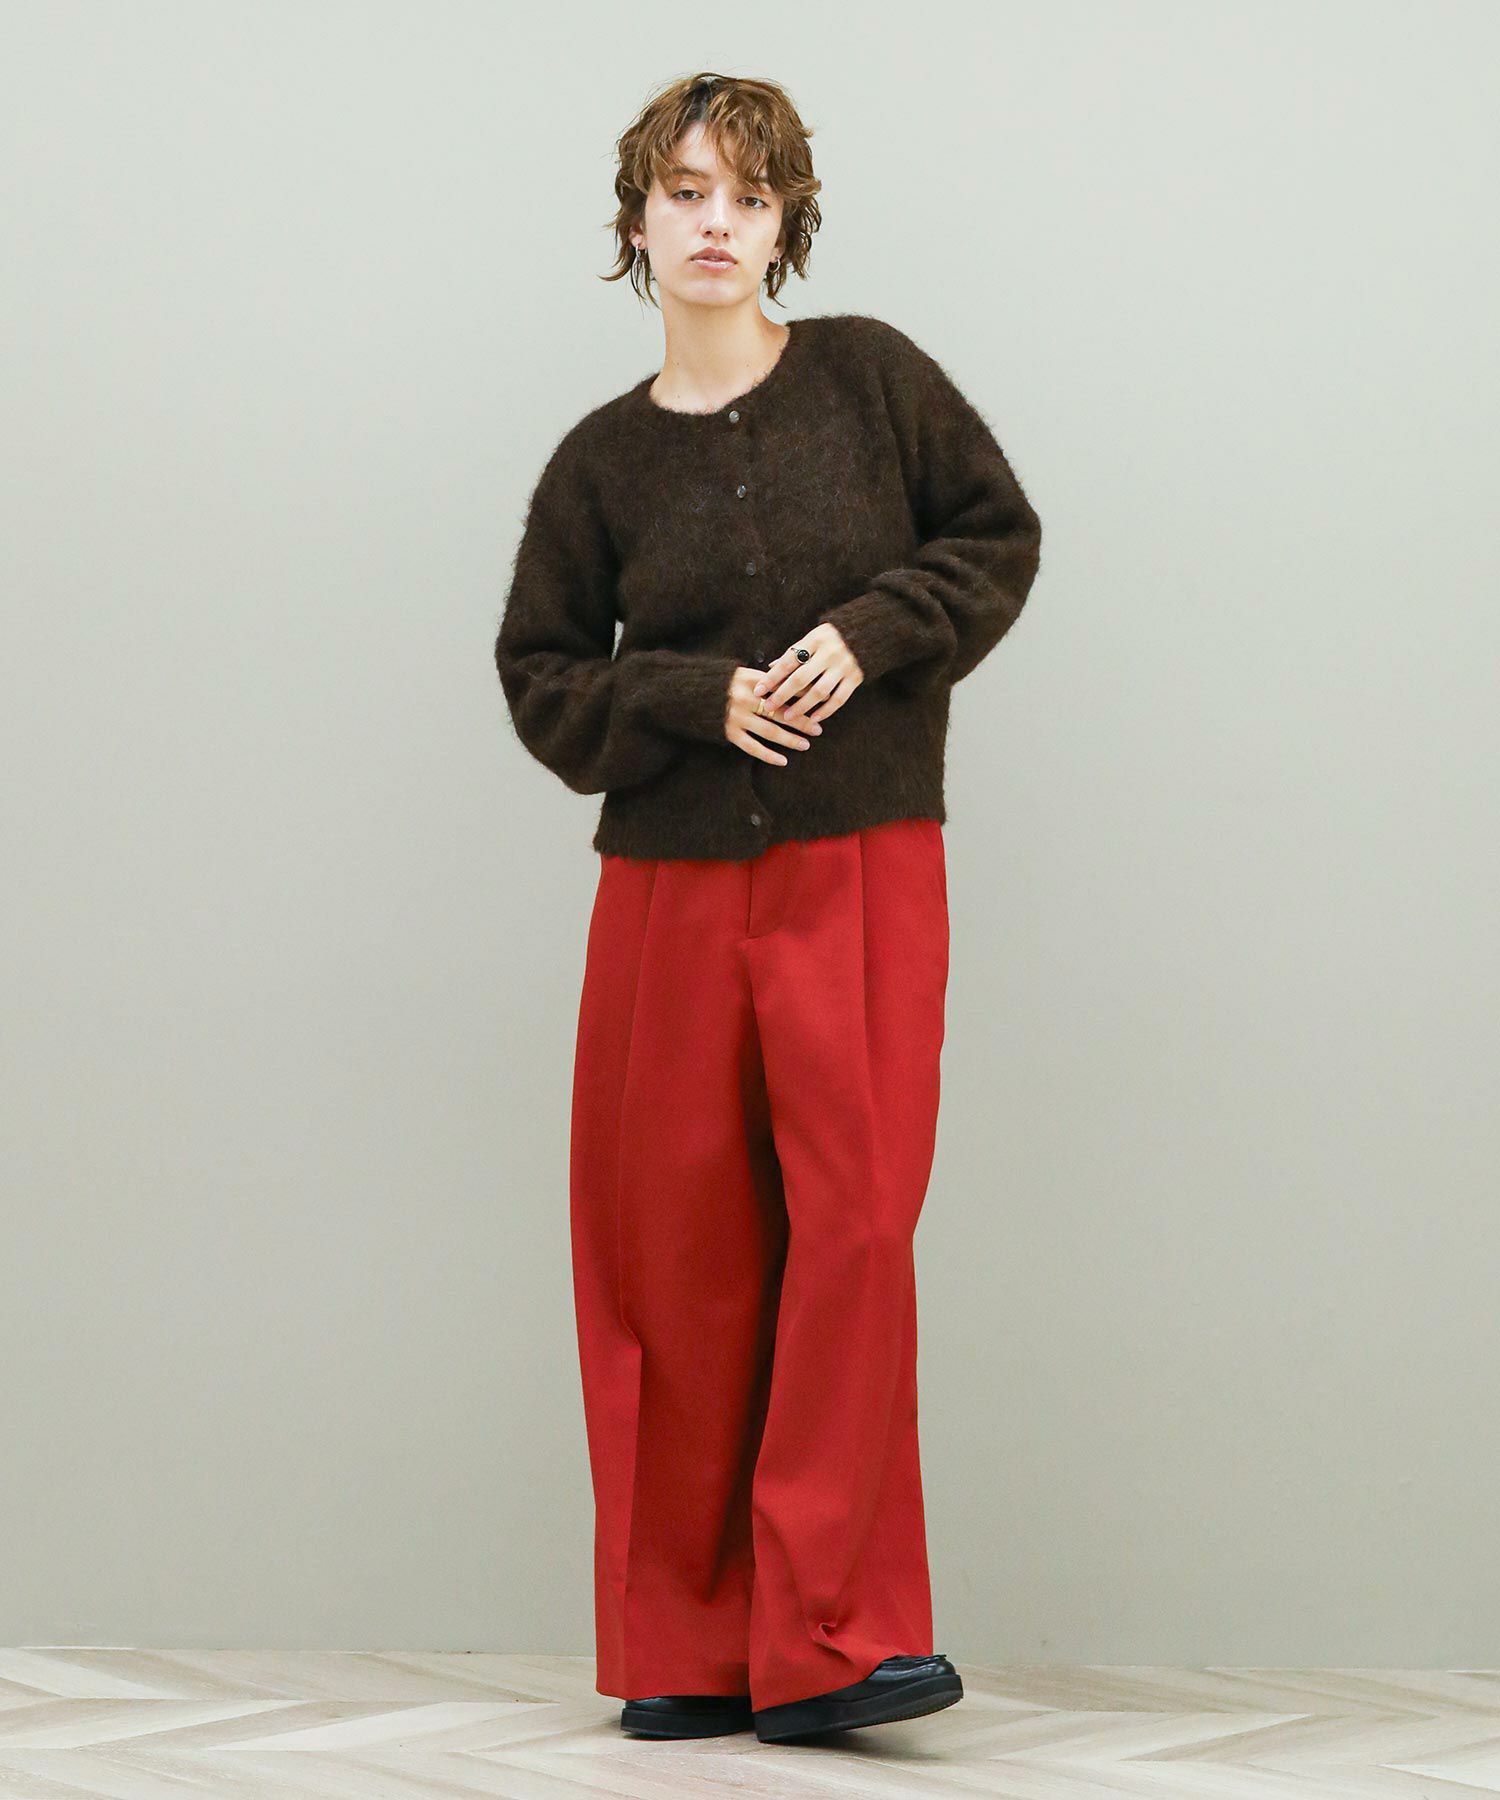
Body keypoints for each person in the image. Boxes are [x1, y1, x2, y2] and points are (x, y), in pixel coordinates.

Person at [494, 71, 1043, 1747]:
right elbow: (542, 680)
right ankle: (682, 1647)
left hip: (859, 867)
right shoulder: (597, 465)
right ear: (638, 221)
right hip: (664, 896)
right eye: (684, 192)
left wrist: (871, 636)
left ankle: (827, 1638)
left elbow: (996, 538)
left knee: (854, 1230)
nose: (714, 222)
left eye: (746, 194)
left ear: (788, 220)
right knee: (671, 1254)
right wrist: (686, 696)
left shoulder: (873, 381)